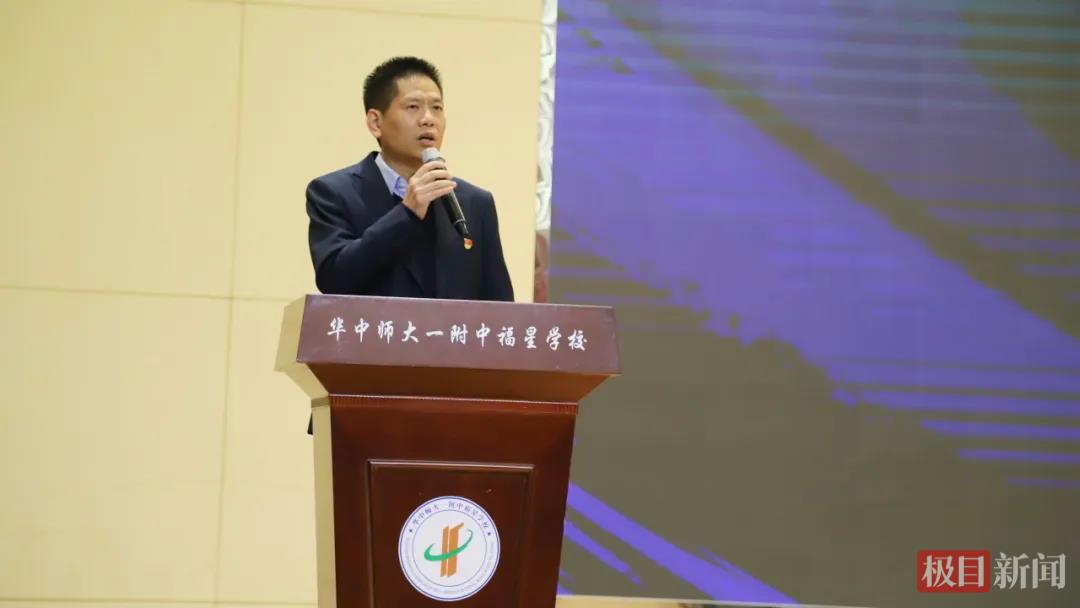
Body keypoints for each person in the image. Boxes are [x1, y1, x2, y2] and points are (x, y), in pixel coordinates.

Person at [306, 56, 514, 302]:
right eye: (413, 107)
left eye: (437, 108)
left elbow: (499, 304)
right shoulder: (333, 192)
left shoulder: (475, 203)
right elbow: (334, 279)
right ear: (376, 122)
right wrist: (406, 213)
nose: (428, 119)